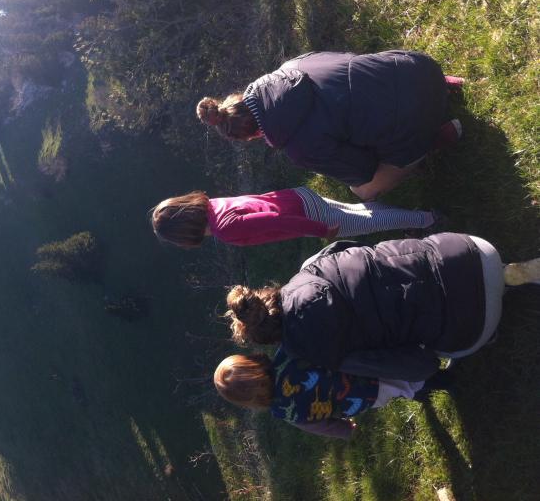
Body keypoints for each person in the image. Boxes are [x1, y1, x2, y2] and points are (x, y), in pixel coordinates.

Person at [224, 233, 540, 381]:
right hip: (468, 247)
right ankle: (501, 274)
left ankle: (493, 311)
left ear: (274, 341)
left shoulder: (327, 353)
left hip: (472, 325)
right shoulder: (312, 266)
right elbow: (359, 248)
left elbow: (420, 366)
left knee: (451, 349)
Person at [197, 50, 464, 200]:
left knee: (362, 190)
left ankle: (432, 139)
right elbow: (353, 60)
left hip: (418, 116)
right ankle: (443, 86)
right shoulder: (292, 65)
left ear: (254, 134)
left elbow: (363, 169)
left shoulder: (299, 148)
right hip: (421, 66)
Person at [213, 351, 453, 439]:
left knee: (398, 387)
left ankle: (431, 385)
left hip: (363, 396)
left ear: (249, 402)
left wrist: (345, 429)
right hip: (362, 363)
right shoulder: (288, 352)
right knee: (398, 370)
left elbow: (320, 426)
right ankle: (440, 378)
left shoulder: (285, 411)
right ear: (252, 360)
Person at [151, 188, 437, 248]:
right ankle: (412, 217)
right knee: (360, 212)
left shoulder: (225, 229)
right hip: (300, 197)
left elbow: (277, 221)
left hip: (306, 215)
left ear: (186, 234)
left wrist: (322, 230)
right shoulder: (212, 205)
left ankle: (427, 219)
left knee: (369, 224)